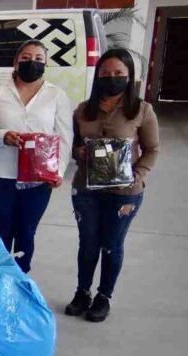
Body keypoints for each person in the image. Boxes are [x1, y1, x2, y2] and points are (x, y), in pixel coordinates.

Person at [65, 48, 159, 322]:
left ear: (129, 77)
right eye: (105, 74)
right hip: (86, 190)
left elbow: (153, 149)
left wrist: (138, 174)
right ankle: (82, 292)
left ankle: (103, 296)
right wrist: (78, 152)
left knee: (112, 244)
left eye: (119, 74)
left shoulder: (141, 110)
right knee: (88, 243)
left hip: (123, 193)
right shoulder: (83, 110)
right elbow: (72, 145)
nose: (112, 78)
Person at [0, 40, 72, 273]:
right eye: (25, 58)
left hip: (39, 176)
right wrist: (3, 136)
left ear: (45, 64)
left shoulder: (57, 95)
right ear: (15, 61)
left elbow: (64, 137)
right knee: (3, 229)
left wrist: (59, 171)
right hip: (2, 173)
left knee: (26, 231)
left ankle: (20, 281)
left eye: (38, 59)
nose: (31, 63)